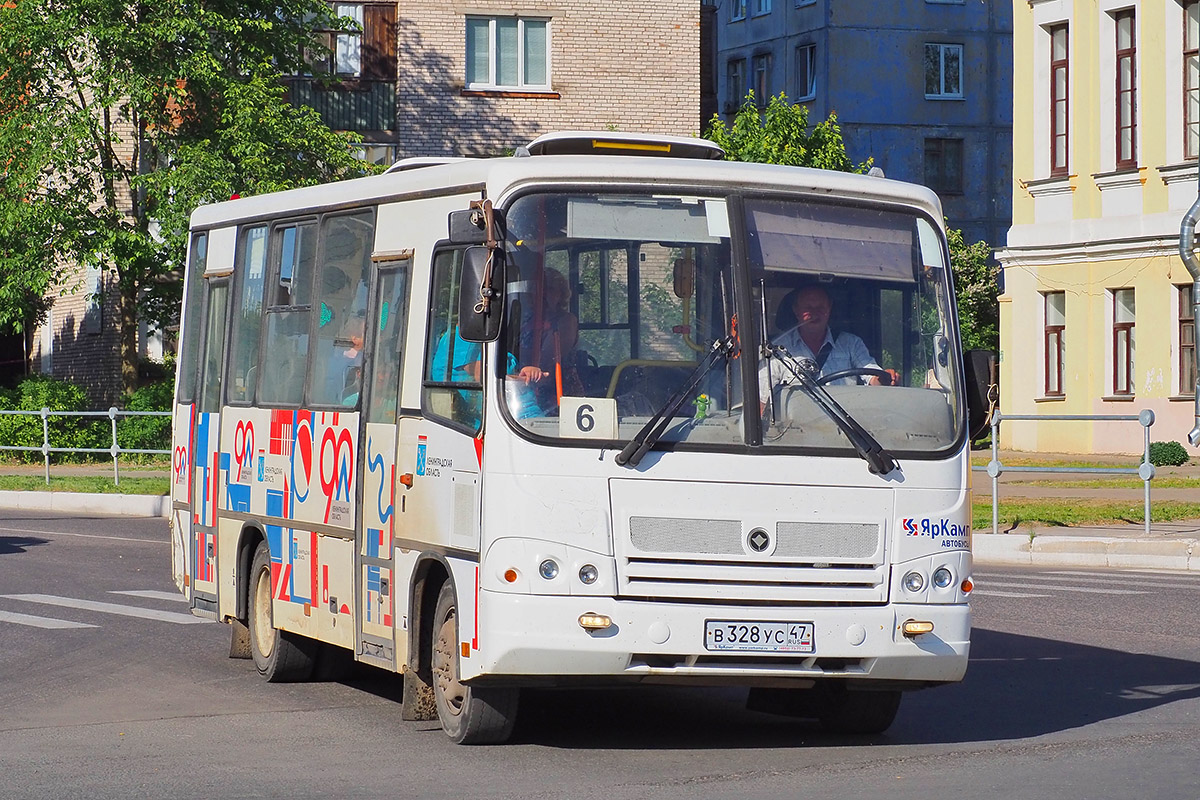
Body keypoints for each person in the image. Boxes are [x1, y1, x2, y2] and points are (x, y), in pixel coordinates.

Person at [759, 285, 892, 408]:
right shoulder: (776, 350)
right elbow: (762, 401)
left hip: (846, 428)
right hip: (795, 430)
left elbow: (872, 375)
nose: (814, 313)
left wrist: (884, 378)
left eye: (821, 308)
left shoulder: (851, 344)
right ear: (796, 310)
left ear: (829, 308)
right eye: (808, 308)